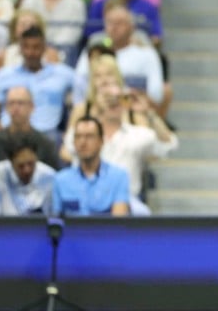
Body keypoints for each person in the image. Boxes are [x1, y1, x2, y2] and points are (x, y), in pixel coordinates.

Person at [63, 82, 176, 214]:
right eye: (108, 97)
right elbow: (67, 148)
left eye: (119, 98)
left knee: (142, 212)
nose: (113, 102)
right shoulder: (83, 133)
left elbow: (168, 145)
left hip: (128, 200)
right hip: (85, 197)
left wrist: (148, 113)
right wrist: (96, 108)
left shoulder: (137, 134)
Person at [0, 26, 75, 133]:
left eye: (36, 47)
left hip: (47, 134)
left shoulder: (62, 73)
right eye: (26, 47)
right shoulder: (3, 75)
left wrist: (69, 133)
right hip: (11, 132)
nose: (30, 53)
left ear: (44, 48)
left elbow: (85, 94)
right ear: (20, 49)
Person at [51, 117, 130, 216]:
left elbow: (119, 221)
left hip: (106, 227)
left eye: (89, 136)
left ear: (101, 141)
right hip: (72, 227)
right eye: (78, 137)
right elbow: (56, 221)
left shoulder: (118, 177)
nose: (83, 142)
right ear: (73, 142)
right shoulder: (61, 180)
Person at [0, 86, 60, 170]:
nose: (15, 108)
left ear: (32, 107)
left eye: (20, 103)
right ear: (6, 107)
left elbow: (51, 175)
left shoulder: (46, 144)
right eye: (11, 103)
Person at [0, 132, 56, 215]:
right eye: (21, 166)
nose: (27, 170)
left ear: (36, 158)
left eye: (31, 163)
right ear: (10, 161)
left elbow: (53, 215)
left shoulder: (50, 176)